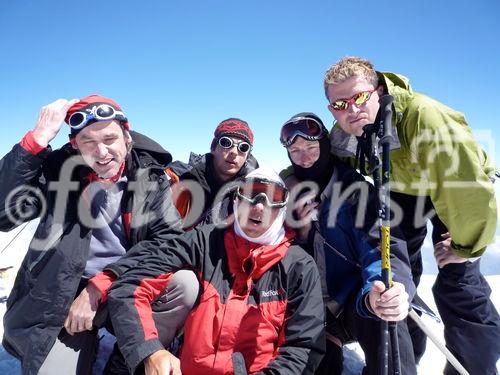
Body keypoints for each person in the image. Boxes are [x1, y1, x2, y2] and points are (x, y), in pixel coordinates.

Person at [324, 56, 500, 375]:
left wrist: (465, 246)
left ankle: (477, 368)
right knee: (398, 277)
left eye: (359, 97)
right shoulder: (343, 133)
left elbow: (467, 188)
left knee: (460, 285)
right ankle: (405, 360)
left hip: (455, 187)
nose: (350, 109)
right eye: (339, 103)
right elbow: (324, 164)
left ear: (378, 90)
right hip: (404, 189)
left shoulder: (425, 118)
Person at [0, 95, 186, 375]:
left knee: (183, 284)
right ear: (75, 146)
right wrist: (34, 142)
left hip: (122, 285)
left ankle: (125, 361)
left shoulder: (149, 177)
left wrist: (100, 285)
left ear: (126, 136)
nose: (101, 153)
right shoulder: (59, 174)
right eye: (88, 142)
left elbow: (167, 241)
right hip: (63, 294)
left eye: (110, 139)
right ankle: (80, 342)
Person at [104, 167, 325, 375]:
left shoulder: (299, 266)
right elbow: (131, 286)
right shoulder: (204, 242)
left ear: (281, 210)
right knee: (183, 281)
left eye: (273, 198)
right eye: (251, 194)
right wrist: (149, 351)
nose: (259, 206)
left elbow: (303, 347)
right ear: (237, 200)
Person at [279, 112, 416, 375]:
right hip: (309, 309)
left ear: (326, 146)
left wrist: (382, 289)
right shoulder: (283, 195)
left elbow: (381, 248)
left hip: (356, 303)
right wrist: (301, 231)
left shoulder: (357, 193)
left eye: (311, 147)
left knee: (385, 307)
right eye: (295, 150)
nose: (304, 157)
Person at [165, 118, 258, 228]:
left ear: (248, 156)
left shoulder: (255, 194)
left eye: (243, 147)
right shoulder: (180, 180)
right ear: (213, 147)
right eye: (226, 142)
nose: (234, 152)